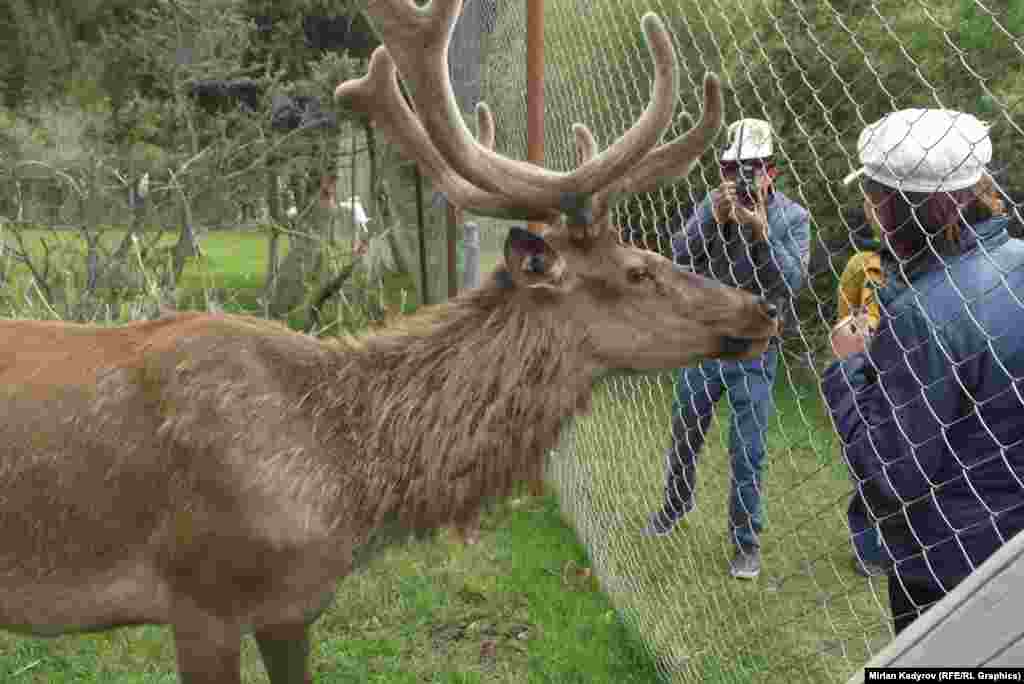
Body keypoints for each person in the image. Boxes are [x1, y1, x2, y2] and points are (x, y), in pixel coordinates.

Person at [823, 108, 1024, 635]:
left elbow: (894, 473)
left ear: (889, 209)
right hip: (1010, 552)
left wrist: (847, 368)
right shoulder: (1019, 263)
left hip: (942, 565)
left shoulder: (922, 313)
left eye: (871, 196)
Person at [641, 118, 811, 581]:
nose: (741, 178)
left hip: (755, 348)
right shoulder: (711, 205)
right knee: (685, 430)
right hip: (706, 342)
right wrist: (710, 224)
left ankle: (745, 542)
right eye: (732, 168)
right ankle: (675, 507)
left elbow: (790, 284)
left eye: (752, 168)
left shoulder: (792, 219)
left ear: (771, 170)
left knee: (747, 448)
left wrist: (760, 234)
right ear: (721, 169)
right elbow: (679, 258)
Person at [833, 209, 891, 577]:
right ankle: (869, 550)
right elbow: (844, 316)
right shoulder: (861, 264)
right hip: (870, 371)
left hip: (912, 367)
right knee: (868, 460)